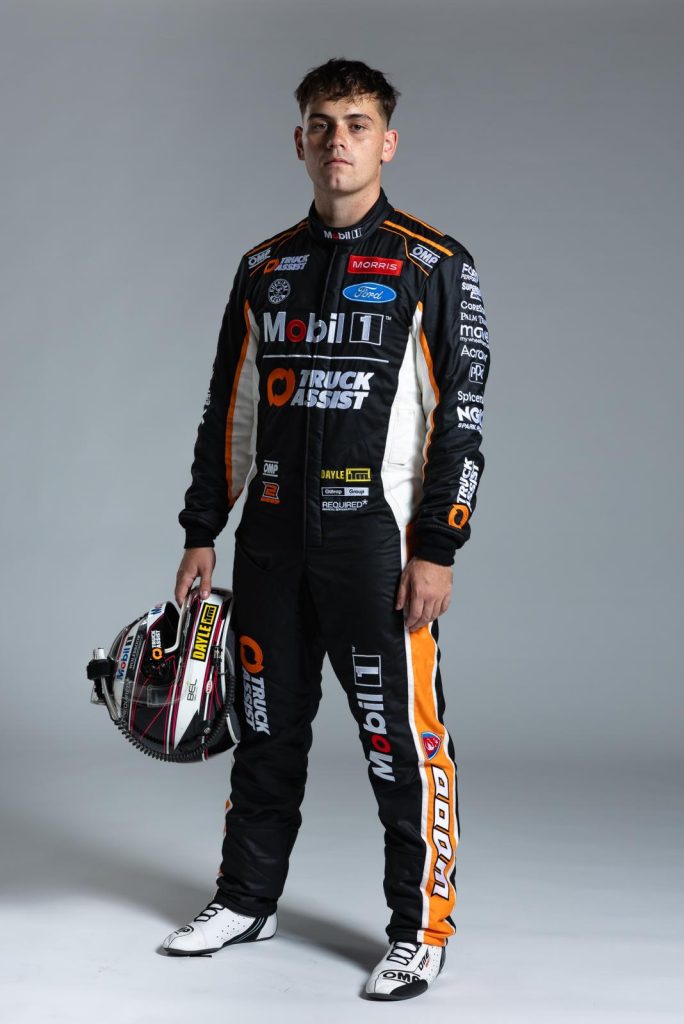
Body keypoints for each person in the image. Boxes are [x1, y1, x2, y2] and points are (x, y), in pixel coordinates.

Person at [162, 57, 491, 1001]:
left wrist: (437, 547)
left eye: (355, 125)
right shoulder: (264, 267)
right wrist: (201, 529)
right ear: (298, 141)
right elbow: (229, 411)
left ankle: (420, 929)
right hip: (269, 543)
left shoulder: (434, 264)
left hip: (375, 549)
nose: (336, 141)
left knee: (400, 744)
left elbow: (462, 423)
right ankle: (245, 899)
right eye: (320, 124)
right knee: (266, 733)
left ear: (388, 142)